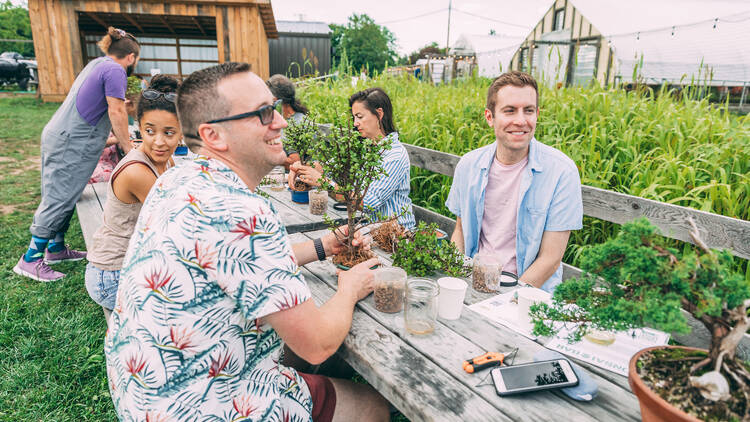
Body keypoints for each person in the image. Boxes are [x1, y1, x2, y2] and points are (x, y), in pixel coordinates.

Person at [105, 62, 390, 422]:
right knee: (373, 406)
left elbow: (234, 259)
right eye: (263, 113)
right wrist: (349, 288)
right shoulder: (244, 211)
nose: (281, 121)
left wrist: (323, 246)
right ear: (214, 136)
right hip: (208, 407)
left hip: (143, 394)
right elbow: (317, 344)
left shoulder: (175, 180)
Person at [13, 27, 139, 282]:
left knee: (67, 193)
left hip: (63, 136)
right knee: (59, 197)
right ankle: (30, 259)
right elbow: (116, 111)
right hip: (71, 142)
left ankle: (56, 249)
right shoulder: (116, 70)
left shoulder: (97, 64)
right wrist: (128, 146)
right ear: (132, 57)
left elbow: (95, 109)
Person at [446, 71, 582, 293]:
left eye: (528, 110)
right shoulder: (469, 165)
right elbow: (460, 231)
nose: (520, 120)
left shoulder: (561, 172)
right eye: (509, 111)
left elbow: (550, 259)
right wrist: (456, 279)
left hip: (528, 295)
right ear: (490, 117)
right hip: (474, 283)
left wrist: (506, 300)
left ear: (537, 114)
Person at [84, 74, 181, 320]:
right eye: (150, 131)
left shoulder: (165, 159)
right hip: (112, 276)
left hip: (136, 263)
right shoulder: (138, 171)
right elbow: (177, 225)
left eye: (169, 133)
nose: (158, 141)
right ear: (139, 126)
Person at [290, 87, 416, 230]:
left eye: (360, 117)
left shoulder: (395, 155)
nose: (355, 123)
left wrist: (322, 181)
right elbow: (329, 168)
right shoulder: (365, 148)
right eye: (354, 117)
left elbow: (367, 203)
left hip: (397, 238)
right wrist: (300, 166)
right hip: (370, 231)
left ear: (379, 114)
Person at [267, 74, 309, 169]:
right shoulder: (284, 119)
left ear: (275, 99)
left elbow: (295, 161)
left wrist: (266, 155)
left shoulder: (296, 123)